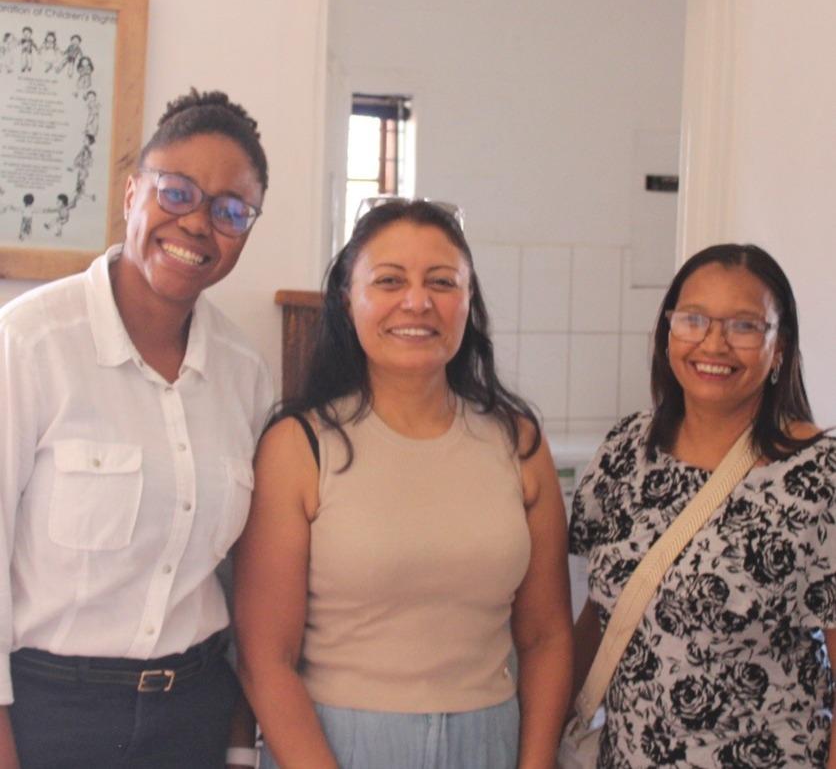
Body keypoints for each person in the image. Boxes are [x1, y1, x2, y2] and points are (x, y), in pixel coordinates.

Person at [235, 199, 573, 769]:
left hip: (490, 740)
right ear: (347, 299)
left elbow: (546, 638)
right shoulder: (299, 445)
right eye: (389, 281)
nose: (417, 302)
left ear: (469, 301)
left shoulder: (518, 444)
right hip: (334, 745)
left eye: (442, 282)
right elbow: (266, 658)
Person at [0, 89, 273, 769]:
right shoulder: (30, 344)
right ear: (131, 194)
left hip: (195, 716)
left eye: (231, 211)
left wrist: (239, 743)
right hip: (49, 717)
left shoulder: (246, 377)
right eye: (176, 193)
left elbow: (246, 586)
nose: (198, 224)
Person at [569, 243, 835, 767]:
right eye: (693, 319)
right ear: (669, 331)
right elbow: (596, 620)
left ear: (779, 347)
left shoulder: (818, 475)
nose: (713, 343)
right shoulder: (627, 449)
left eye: (744, 326)